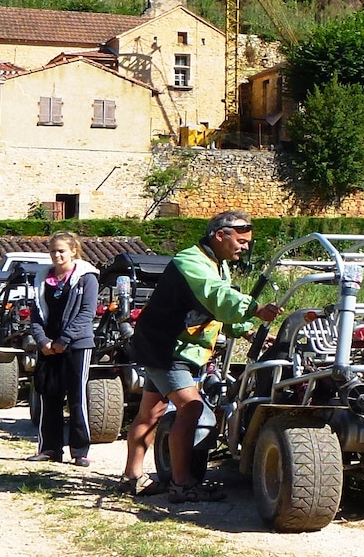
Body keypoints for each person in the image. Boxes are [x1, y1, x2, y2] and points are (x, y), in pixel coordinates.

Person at [119, 211, 281, 503]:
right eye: (241, 241)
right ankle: (182, 483)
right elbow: (216, 295)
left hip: (169, 345)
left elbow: (219, 308)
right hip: (167, 347)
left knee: (152, 412)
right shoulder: (190, 261)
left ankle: (132, 477)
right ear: (220, 236)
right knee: (191, 408)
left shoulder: (217, 264)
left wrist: (248, 332)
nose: (245, 247)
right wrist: (256, 308)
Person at [30, 233, 99, 465]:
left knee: (77, 398)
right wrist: (43, 342)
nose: (57, 255)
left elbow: (86, 313)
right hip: (49, 347)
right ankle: (50, 448)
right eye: (53, 251)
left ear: (73, 251)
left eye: (61, 250)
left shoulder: (86, 279)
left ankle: (80, 451)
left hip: (77, 345)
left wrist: (64, 340)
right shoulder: (42, 278)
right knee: (49, 396)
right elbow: (36, 315)